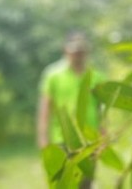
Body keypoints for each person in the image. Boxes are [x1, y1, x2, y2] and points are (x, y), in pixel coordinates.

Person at [36, 32, 104, 188]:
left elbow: (101, 110)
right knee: (61, 183)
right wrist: (43, 140)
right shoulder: (53, 75)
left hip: (89, 140)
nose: (78, 55)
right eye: (74, 51)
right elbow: (45, 110)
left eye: (81, 51)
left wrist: (103, 135)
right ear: (65, 51)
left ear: (86, 52)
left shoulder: (96, 76)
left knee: (85, 184)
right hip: (61, 139)